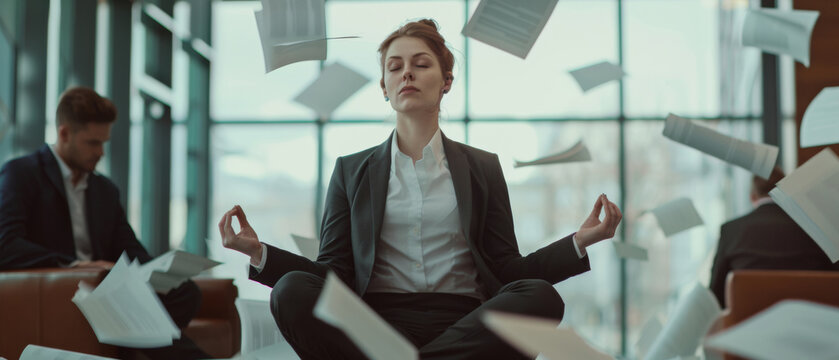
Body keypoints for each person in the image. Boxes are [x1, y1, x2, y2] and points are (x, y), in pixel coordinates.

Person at [219, 19, 622, 359]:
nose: (406, 73)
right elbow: (334, 274)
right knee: (291, 290)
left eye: (420, 64)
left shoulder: (482, 167)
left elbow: (507, 270)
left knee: (540, 297)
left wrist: (578, 242)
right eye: (394, 67)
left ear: (446, 81)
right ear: (384, 87)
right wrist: (260, 254)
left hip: (465, 324)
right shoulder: (350, 170)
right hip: (372, 324)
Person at [0, 87, 208, 359]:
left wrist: (160, 271)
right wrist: (73, 265)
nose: (101, 152)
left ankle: (130, 341)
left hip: (105, 288)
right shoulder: (22, 173)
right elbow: (6, 244)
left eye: (104, 143)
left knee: (184, 291)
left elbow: (129, 248)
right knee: (133, 320)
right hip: (64, 291)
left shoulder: (104, 190)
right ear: (64, 134)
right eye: (93, 143)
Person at [709, 167, 839, 308]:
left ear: (752, 196)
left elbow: (715, 294)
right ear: (786, 192)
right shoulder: (817, 227)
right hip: (809, 320)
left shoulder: (731, 230)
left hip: (749, 322)